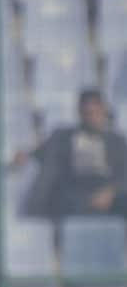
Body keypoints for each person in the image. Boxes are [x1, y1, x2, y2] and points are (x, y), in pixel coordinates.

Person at [22, 89, 127, 218]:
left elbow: (123, 173)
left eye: (95, 112)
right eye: (87, 113)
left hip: (106, 191)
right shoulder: (62, 136)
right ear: (80, 112)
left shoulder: (117, 141)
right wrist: (25, 156)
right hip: (73, 193)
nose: (91, 116)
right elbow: (41, 154)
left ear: (103, 111)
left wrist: (110, 192)